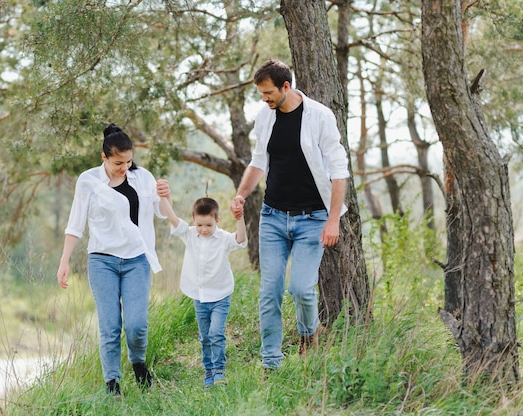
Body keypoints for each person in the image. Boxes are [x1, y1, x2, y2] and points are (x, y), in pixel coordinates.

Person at [230, 58, 349, 371]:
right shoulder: (265, 117)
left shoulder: (320, 116)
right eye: (261, 94)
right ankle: (271, 363)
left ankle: (309, 335)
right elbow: (258, 162)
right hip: (272, 217)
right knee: (269, 292)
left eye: (268, 93)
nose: (265, 99)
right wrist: (241, 194)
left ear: (286, 86)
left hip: (313, 219)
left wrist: (334, 218)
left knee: (300, 288)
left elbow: (339, 170)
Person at [57, 124, 167, 397]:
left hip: (136, 260)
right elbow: (75, 223)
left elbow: (163, 213)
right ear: (104, 157)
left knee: (136, 325)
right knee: (110, 326)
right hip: (102, 260)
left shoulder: (142, 178)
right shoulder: (88, 181)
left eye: (129, 161)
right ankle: (113, 384)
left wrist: (166, 196)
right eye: (118, 162)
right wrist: (64, 261)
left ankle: (138, 362)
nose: (124, 168)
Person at [157, 185, 247, 387]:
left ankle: (219, 371)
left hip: (220, 295)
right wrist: (164, 198)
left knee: (216, 333)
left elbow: (240, 239)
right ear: (194, 221)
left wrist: (239, 218)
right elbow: (173, 220)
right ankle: (208, 372)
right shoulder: (189, 234)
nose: (203, 230)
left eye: (208, 225)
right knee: (205, 337)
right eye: (199, 225)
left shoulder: (223, 238)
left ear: (217, 221)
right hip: (199, 296)